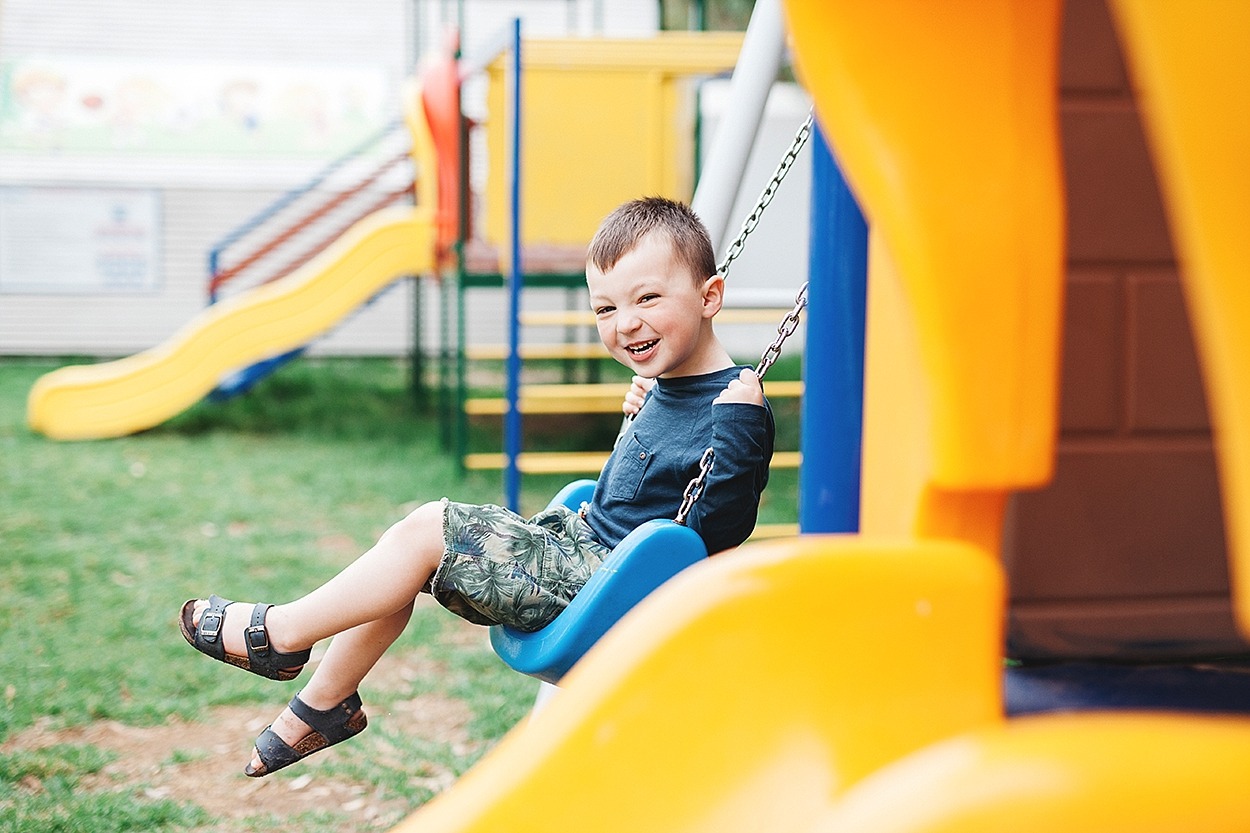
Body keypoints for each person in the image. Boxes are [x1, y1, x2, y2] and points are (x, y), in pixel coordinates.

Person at [179, 196, 775, 777]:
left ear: (709, 296)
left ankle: (281, 633)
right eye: (605, 309)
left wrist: (741, 429)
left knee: (427, 529)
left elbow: (714, 534)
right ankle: (321, 707)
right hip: (572, 546)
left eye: (647, 298)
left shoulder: (736, 407)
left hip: (601, 584)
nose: (626, 323)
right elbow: (639, 492)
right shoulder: (661, 388)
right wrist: (634, 421)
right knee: (401, 566)